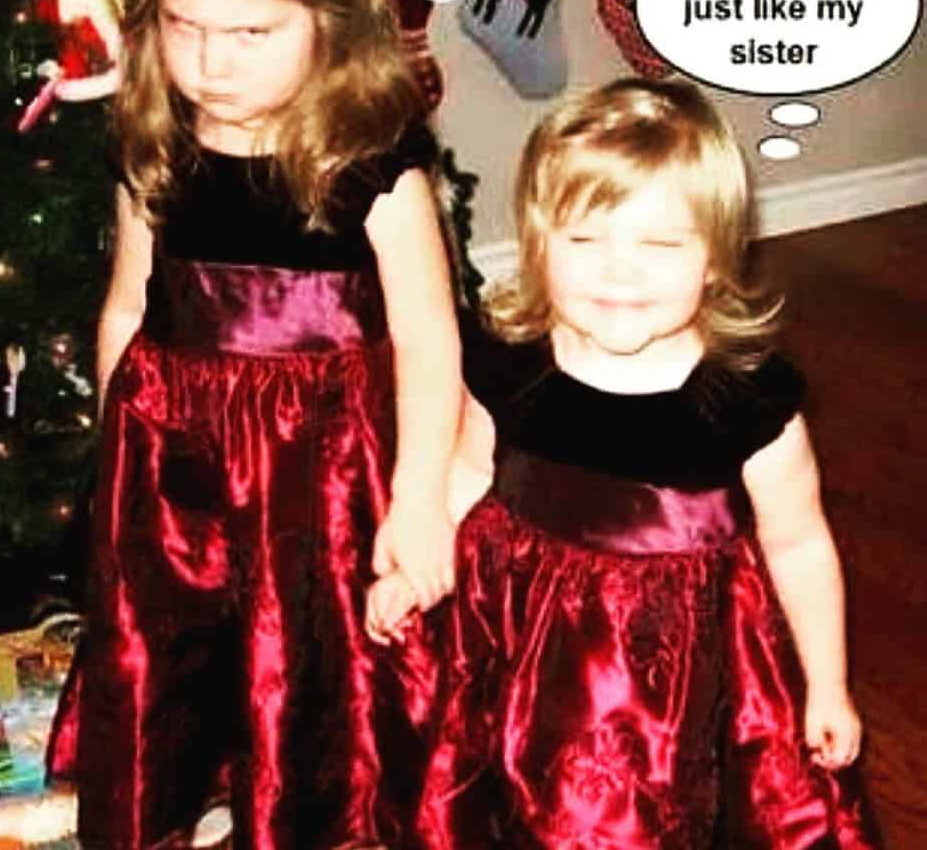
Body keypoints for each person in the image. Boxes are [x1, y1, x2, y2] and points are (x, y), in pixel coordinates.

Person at [45, 0, 463, 850]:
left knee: (306, 666)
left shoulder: (373, 169)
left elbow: (429, 341)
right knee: (176, 657)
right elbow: (127, 307)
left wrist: (420, 504)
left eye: (250, 34)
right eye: (184, 27)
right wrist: (117, 463)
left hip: (319, 476)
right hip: (175, 466)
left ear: (329, 22)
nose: (210, 63)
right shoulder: (155, 148)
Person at [368, 79, 877, 848]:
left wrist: (827, 685)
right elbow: (469, 475)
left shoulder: (745, 405)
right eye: (584, 241)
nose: (619, 274)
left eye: (660, 246)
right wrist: (420, 567)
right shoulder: (510, 367)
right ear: (538, 244)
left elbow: (799, 544)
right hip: (523, 647)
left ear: (715, 259)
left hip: (682, 683)